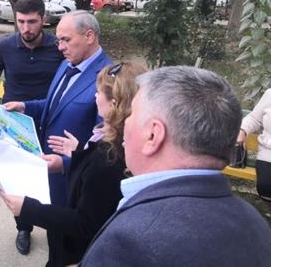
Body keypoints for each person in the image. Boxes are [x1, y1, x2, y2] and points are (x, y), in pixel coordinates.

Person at [80, 66, 271, 267]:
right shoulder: (255, 222)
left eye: (130, 114)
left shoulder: (131, 239)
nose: (123, 121)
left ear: (153, 135)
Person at [0, 62, 146, 266]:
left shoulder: (108, 157)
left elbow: (85, 222)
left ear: (114, 104)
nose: (95, 96)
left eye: (98, 92)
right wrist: (79, 153)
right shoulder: (117, 141)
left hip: (77, 253)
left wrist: (28, 209)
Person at [4, 10, 112, 265]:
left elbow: (107, 146)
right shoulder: (67, 63)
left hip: (75, 184)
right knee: (55, 239)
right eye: (59, 40)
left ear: (89, 36)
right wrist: (25, 106)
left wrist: (65, 163)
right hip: (51, 175)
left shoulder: (107, 79)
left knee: (69, 247)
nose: (60, 46)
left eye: (66, 40)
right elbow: (55, 105)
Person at [0, 0, 64, 255]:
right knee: (18, 179)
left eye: (31, 22)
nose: (26, 28)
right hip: (15, 125)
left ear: (43, 20)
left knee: (51, 176)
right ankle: (23, 226)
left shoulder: (58, 47)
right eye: (20, 21)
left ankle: (55, 226)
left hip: (50, 121)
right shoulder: (5, 46)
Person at [238, 88, 271, 201]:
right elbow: (254, 119)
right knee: (267, 188)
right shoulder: (271, 94)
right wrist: (242, 131)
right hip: (268, 156)